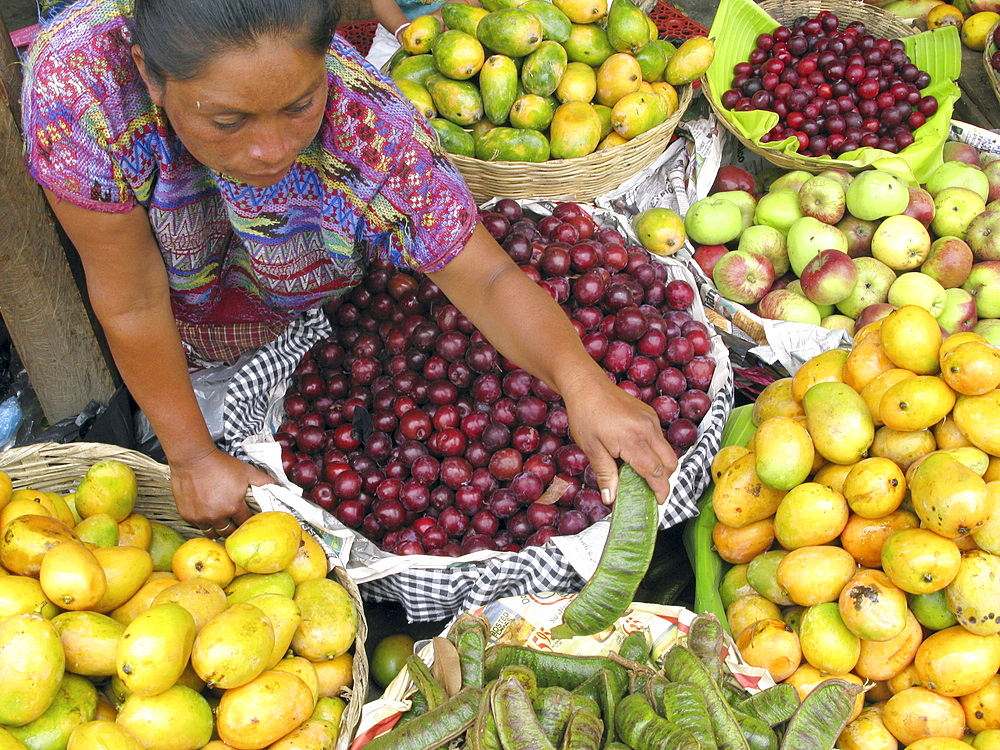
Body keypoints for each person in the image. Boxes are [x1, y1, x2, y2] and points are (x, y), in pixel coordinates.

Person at [20, 0, 678, 541]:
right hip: (177, 316)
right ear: (149, 74)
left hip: (304, 306)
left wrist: (580, 379)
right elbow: (132, 300)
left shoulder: (371, 129)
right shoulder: (77, 95)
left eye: (300, 105)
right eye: (228, 120)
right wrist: (191, 455)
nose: (272, 148)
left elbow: (486, 277)